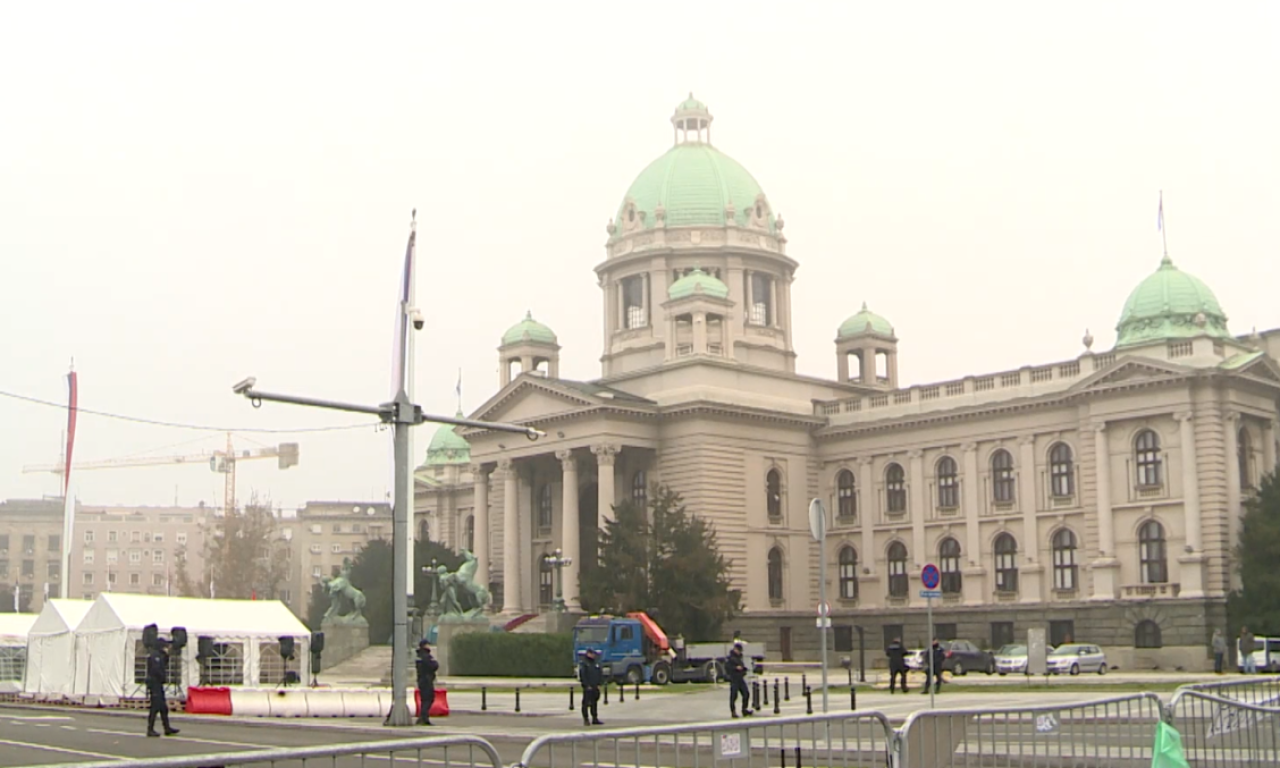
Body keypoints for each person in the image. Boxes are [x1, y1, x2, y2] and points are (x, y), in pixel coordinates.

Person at [145, 638, 179, 737]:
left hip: (158, 683)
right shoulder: (155, 656)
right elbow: (156, 669)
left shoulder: (160, 656)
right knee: (155, 707)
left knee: (163, 707)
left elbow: (164, 664)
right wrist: (161, 677)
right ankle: (150, 729)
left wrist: (166, 655)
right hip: (154, 683)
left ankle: (167, 727)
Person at [578, 648, 603, 726]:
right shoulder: (584, 663)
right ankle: (586, 719)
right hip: (588, 687)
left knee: (594, 703)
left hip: (595, 686)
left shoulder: (596, 663)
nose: (593, 655)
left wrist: (599, 684)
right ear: (588, 654)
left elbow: (599, 674)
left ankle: (595, 718)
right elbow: (583, 675)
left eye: (594, 654)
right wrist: (586, 685)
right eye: (591, 654)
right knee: (586, 703)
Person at [415, 640, 439, 725]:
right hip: (426, 680)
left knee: (425, 700)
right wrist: (434, 663)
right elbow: (433, 665)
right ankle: (423, 718)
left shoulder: (419, 655)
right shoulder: (425, 656)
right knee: (428, 699)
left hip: (422, 680)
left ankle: (423, 717)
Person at [726, 642, 752, 718]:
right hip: (734, 678)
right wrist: (735, 668)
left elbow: (742, 666)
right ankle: (733, 711)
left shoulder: (739, 657)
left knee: (746, 694)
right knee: (734, 695)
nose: (739, 652)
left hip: (740, 678)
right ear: (735, 649)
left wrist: (744, 670)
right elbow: (728, 668)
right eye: (738, 650)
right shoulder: (730, 658)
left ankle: (744, 709)